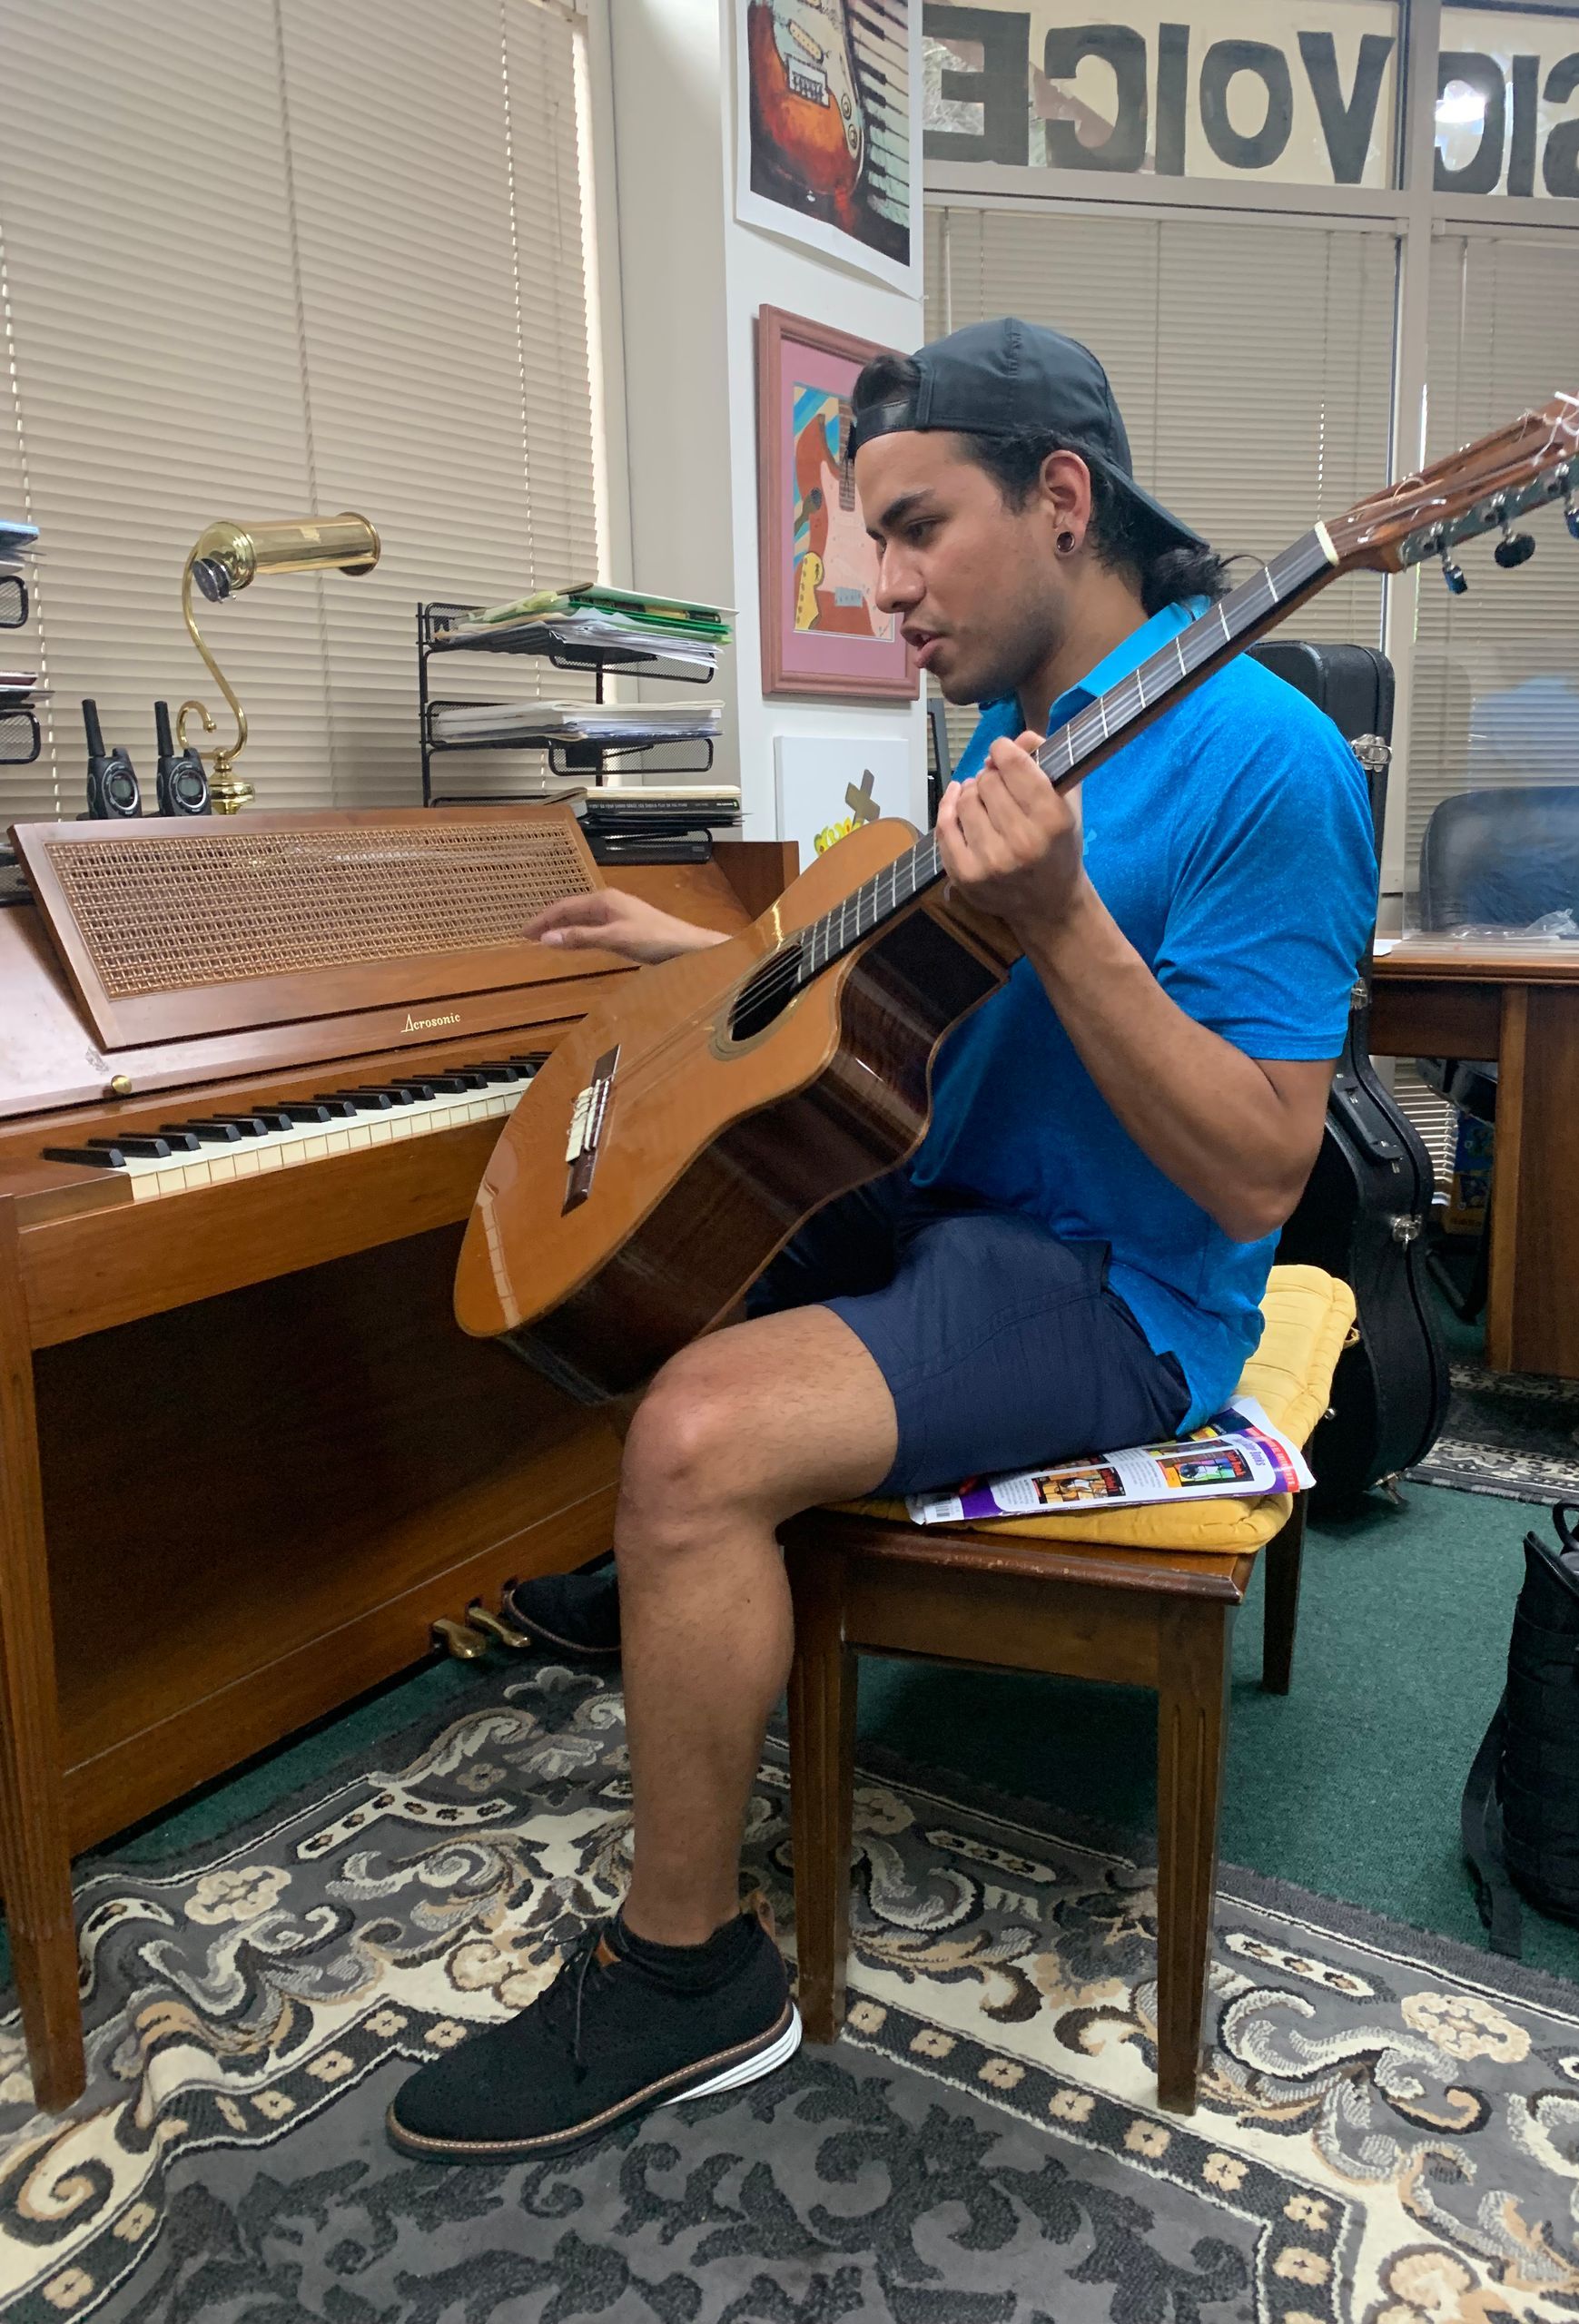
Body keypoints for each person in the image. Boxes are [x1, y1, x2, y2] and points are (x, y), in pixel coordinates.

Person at [386, 318, 1377, 2162]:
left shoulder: (1271, 760)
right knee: (656, 1250)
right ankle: (683, 1590)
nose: (884, 591)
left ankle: (692, 1974)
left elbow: (1258, 1171)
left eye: (918, 530)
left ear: (1063, 498)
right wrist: (697, 972)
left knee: (689, 1437)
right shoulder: (1021, 728)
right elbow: (908, 989)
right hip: (946, 1204)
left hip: (1114, 1290)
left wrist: (1069, 915)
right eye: (872, 543)